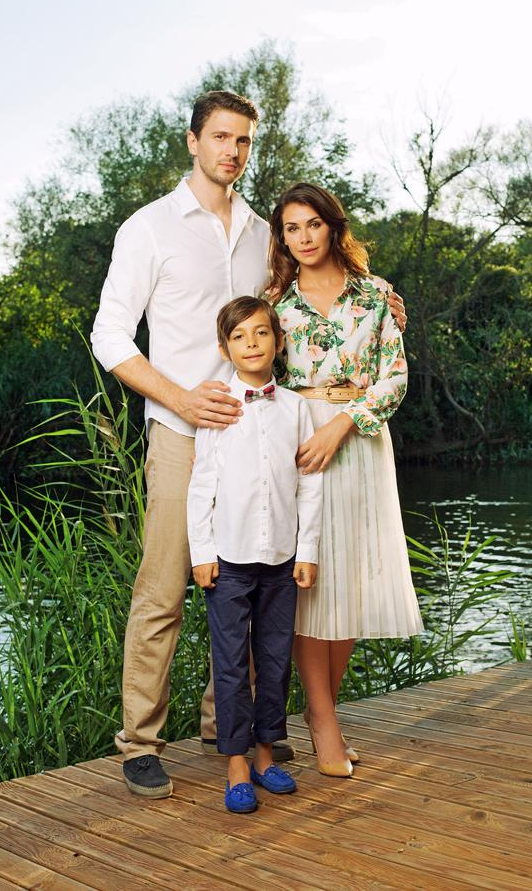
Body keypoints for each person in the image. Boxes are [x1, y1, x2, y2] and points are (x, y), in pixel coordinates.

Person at [91, 88, 407, 799]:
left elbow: (304, 304)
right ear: (193, 140)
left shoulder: (265, 232)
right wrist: (179, 398)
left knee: (256, 579)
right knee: (165, 588)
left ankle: (224, 727)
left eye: (243, 141)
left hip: (263, 432)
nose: (232, 151)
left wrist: (378, 299)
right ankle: (140, 742)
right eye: (220, 137)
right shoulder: (149, 228)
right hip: (184, 431)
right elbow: (108, 334)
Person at [267, 182, 423, 777]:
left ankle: (321, 713)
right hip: (301, 447)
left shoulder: (376, 294)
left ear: (333, 227)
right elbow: (256, 371)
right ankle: (324, 721)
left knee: (350, 579)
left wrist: (344, 422)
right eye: (292, 228)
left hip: (359, 444)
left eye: (313, 224)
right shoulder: (275, 303)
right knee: (312, 581)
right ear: (282, 238)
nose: (304, 237)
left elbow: (396, 378)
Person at [187, 296, 322, 812]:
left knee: (274, 660)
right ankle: (236, 764)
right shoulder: (218, 409)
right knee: (229, 665)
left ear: (278, 342)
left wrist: (307, 551)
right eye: (239, 336)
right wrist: (202, 552)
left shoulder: (296, 409)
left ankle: (266, 755)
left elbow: (309, 484)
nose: (251, 344)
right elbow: (202, 487)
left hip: (282, 559)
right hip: (229, 559)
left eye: (261, 333)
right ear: (225, 348)